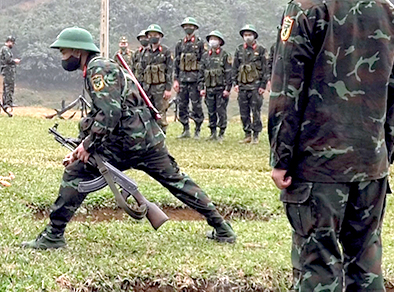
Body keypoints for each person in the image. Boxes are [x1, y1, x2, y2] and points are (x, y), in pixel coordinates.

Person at [269, 0, 394, 292]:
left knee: (319, 268)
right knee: (366, 266)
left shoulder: (306, 8)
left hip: (318, 170)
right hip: (371, 166)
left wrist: (281, 159)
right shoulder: (388, 11)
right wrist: (386, 152)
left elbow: (285, 92)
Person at [21, 27, 236, 249]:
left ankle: (54, 235)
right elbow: (102, 114)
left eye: (64, 52)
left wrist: (88, 145)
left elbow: (110, 113)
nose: (63, 57)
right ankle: (222, 227)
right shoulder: (103, 67)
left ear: (78, 51)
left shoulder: (97, 71)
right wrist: (81, 146)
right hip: (148, 141)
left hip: (125, 144)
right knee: (179, 182)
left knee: (75, 174)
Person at [231, 25, 267, 144]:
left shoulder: (261, 50)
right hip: (242, 86)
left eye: (249, 35)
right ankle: (247, 134)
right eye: (245, 35)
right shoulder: (239, 50)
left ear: (254, 36)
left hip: (255, 87)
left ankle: (256, 135)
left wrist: (263, 86)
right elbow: (235, 67)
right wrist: (235, 83)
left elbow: (266, 69)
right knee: (244, 111)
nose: (247, 37)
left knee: (255, 111)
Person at [173, 17, 205, 139]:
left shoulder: (200, 44)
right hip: (182, 80)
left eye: (191, 26)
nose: (188, 28)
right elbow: (176, 63)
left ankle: (197, 129)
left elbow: (203, 62)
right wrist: (176, 80)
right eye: (186, 26)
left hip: (195, 80)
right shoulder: (179, 44)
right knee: (182, 105)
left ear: (195, 28)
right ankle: (185, 129)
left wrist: (201, 82)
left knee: (196, 105)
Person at [139, 24, 173, 133]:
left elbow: (169, 70)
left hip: (160, 87)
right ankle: (150, 134)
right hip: (147, 87)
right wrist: (140, 88)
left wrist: (168, 89)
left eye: (155, 35)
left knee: (160, 112)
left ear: (160, 36)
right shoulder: (144, 53)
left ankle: (161, 133)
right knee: (147, 111)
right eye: (150, 35)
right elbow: (141, 71)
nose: (153, 37)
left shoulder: (166, 52)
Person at [199, 31, 231, 141]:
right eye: (211, 38)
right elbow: (201, 73)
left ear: (220, 42)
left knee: (221, 111)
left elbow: (228, 73)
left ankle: (221, 133)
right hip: (209, 89)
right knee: (211, 110)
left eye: (215, 39)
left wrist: (227, 89)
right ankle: (212, 133)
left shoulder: (224, 55)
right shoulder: (205, 56)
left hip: (220, 88)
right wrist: (201, 88)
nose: (212, 41)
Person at [0, 35, 20, 108]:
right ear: (9, 42)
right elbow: (8, 60)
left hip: (7, 70)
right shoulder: (5, 49)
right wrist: (15, 61)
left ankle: (6, 103)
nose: (13, 45)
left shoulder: (5, 49)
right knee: (9, 86)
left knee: (6, 86)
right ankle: (8, 103)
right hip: (8, 71)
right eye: (12, 43)